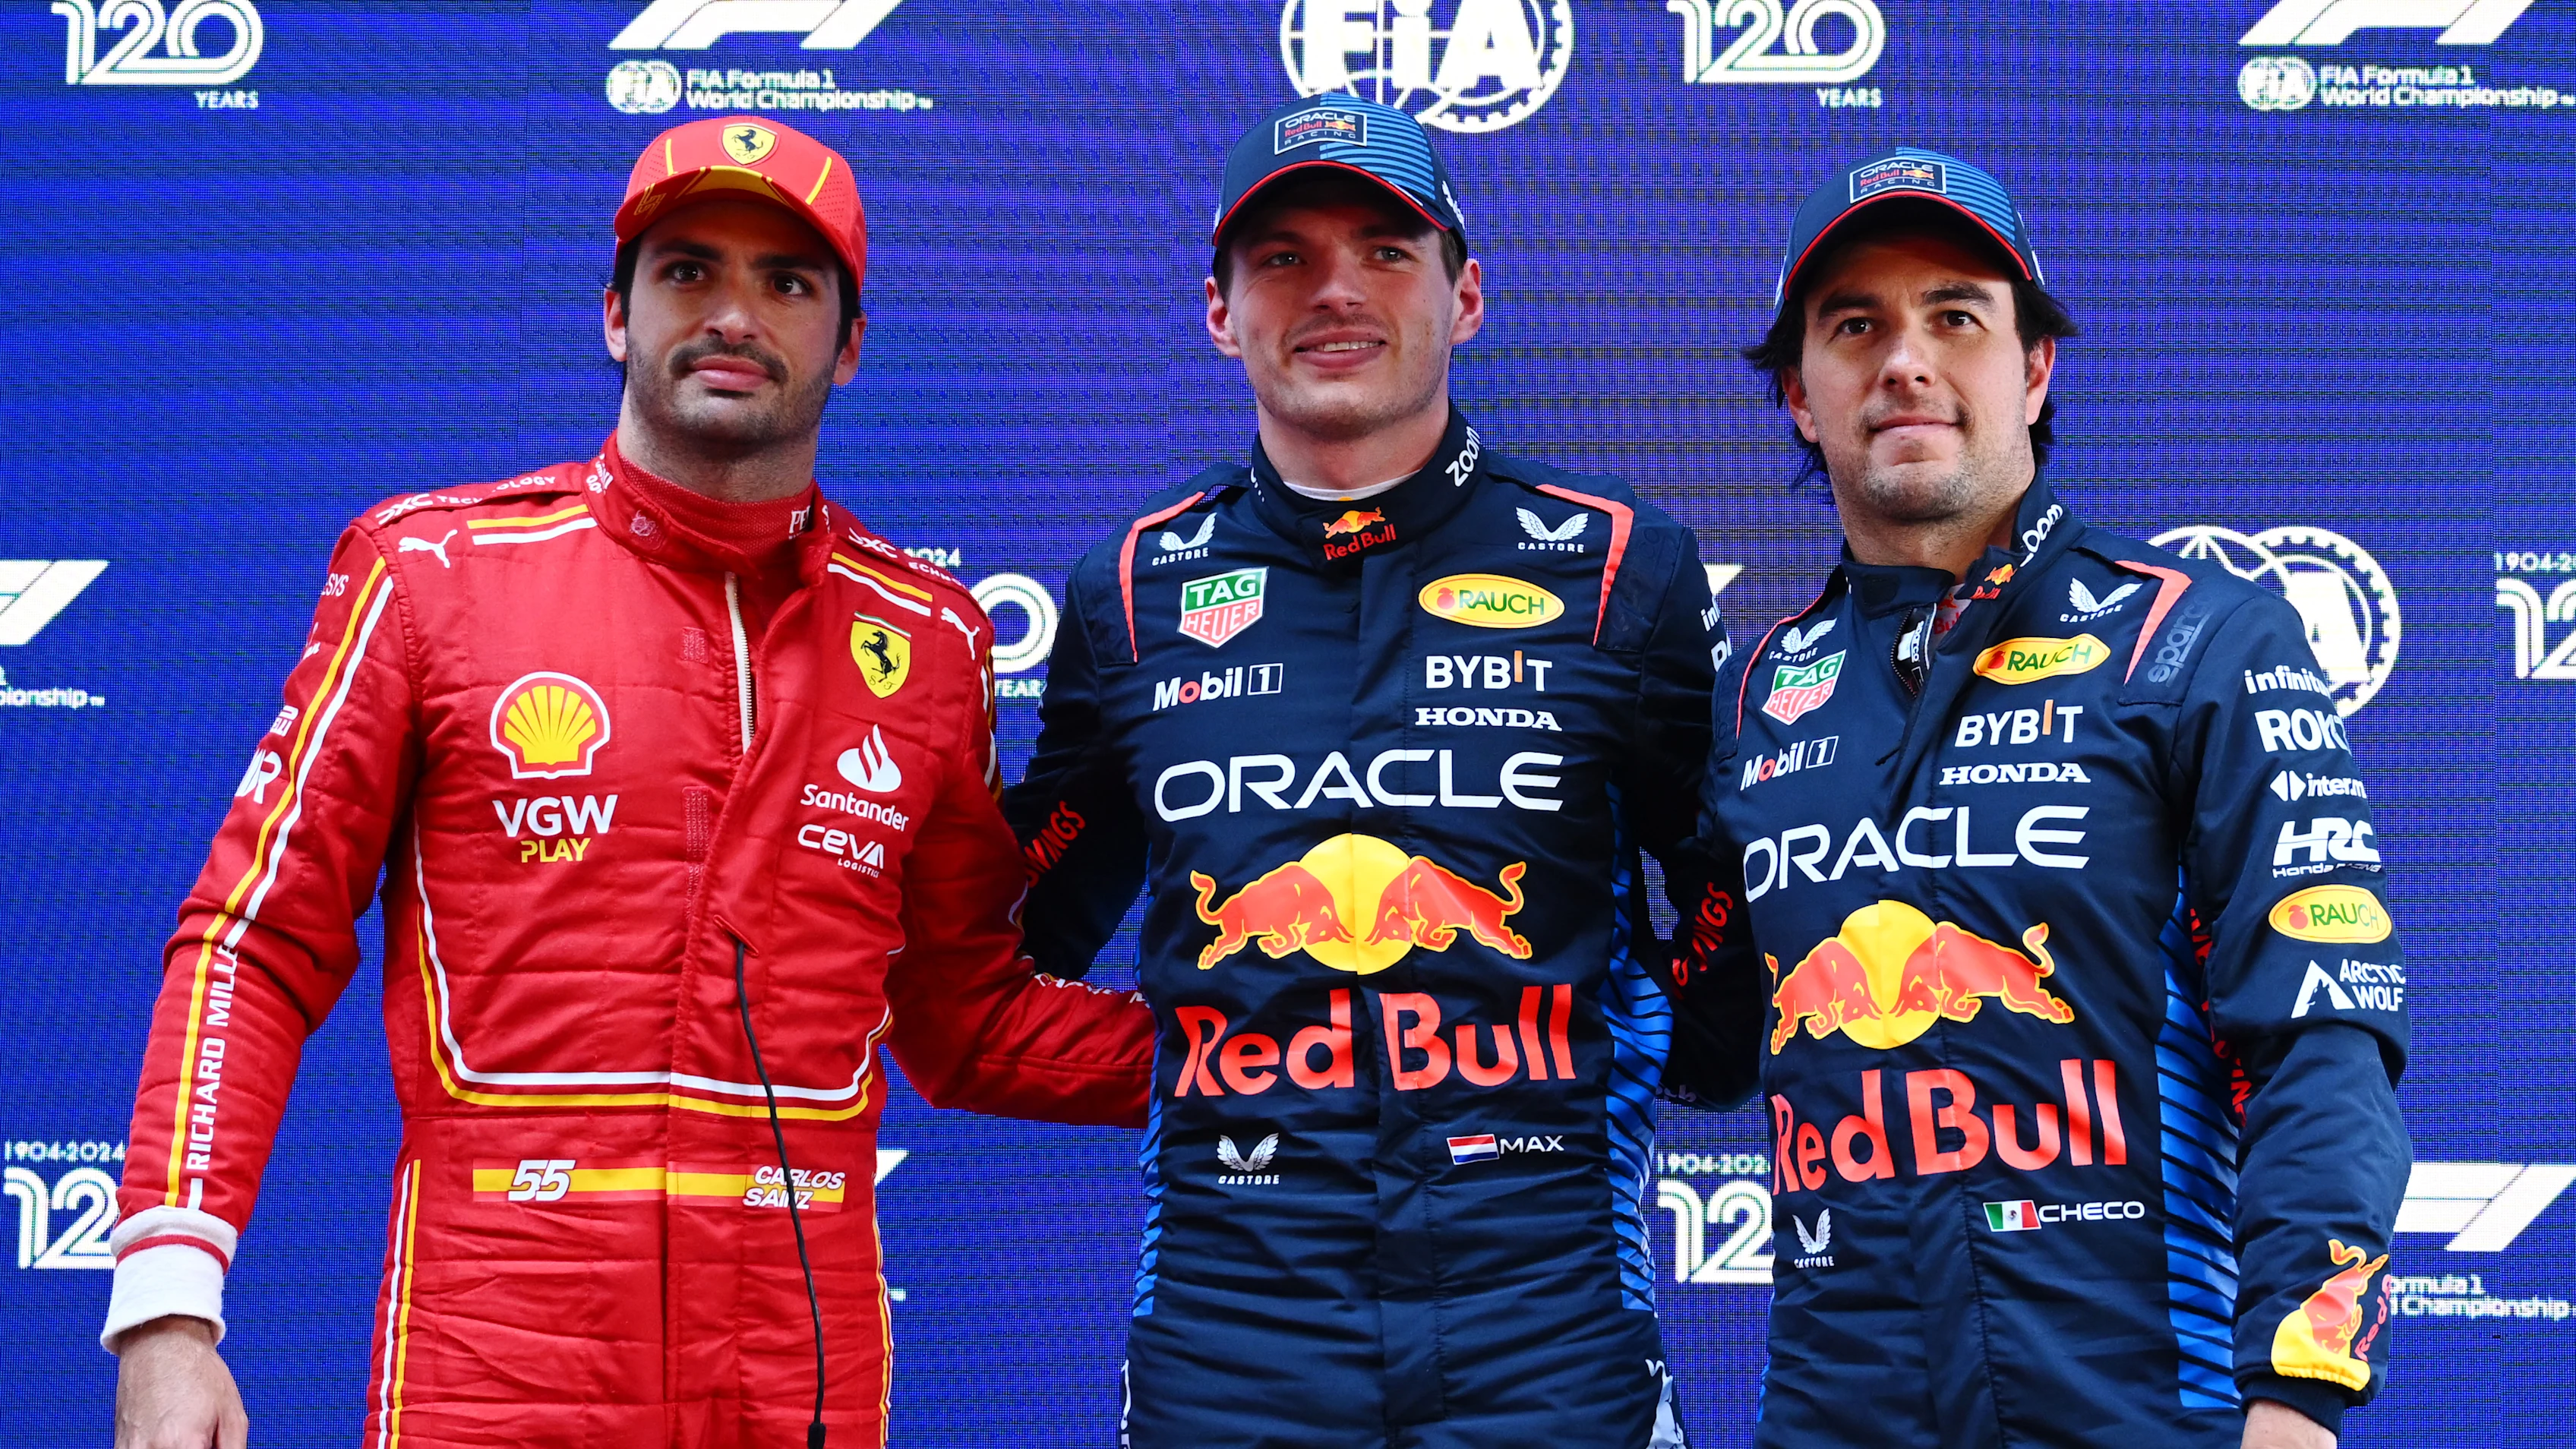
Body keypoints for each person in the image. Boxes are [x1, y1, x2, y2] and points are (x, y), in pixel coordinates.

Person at [104, 115, 1154, 1449]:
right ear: (616, 314)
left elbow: (965, 1020)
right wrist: (167, 1308)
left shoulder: (932, 640)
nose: (734, 315)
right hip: (498, 1352)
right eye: (687, 271)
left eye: (787, 282)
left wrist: (1281, 1053)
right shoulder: (431, 575)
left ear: (849, 343)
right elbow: (255, 938)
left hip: (800, 1364)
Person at [1003, 96, 1738, 1448]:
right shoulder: (1130, 591)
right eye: (1283, 257)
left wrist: (1650, 1053)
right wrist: (1186, 1060)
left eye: (1386, 252)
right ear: (1220, 313)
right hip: (1231, 1337)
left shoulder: (1623, 568)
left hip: (1549, 1328)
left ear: (1467, 297)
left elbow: (1731, 908)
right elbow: (1002, 933)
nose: (1335, 290)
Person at [1682, 147, 2412, 1449]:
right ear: (1799, 395)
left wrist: (2300, 1396)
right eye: (1856, 326)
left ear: (2033, 369)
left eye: (1955, 317)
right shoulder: (1750, 701)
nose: (1907, 362)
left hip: (2146, 1408)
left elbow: (2320, 1045)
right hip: (1832, 1415)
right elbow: (1705, 1043)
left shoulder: (2197, 643)